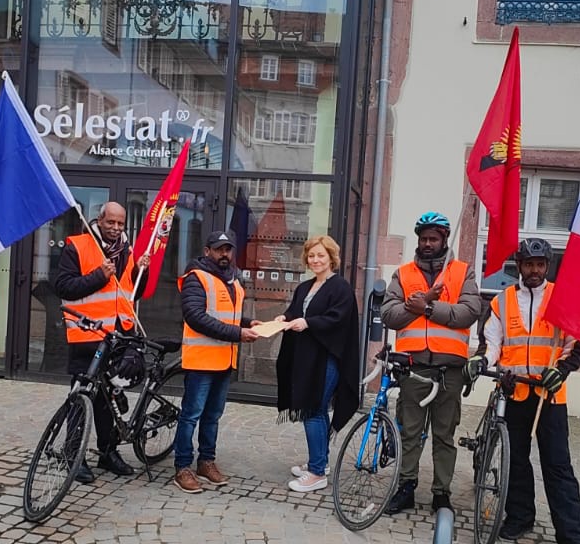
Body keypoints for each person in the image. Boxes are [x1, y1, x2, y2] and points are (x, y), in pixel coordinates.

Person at [466, 238, 580, 543]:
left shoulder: (562, 299)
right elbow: (491, 343)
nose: (534, 270)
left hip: (549, 395)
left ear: (547, 266)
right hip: (514, 391)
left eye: (540, 265)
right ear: (519, 266)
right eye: (529, 264)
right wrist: (482, 361)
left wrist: (560, 370)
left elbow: (574, 345)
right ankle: (520, 516)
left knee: (557, 465)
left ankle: (572, 534)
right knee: (516, 461)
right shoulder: (502, 301)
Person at [381, 210, 481, 514]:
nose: (427, 243)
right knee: (410, 432)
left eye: (433, 239)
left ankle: (441, 493)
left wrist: (425, 307)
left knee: (444, 435)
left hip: (450, 369)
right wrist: (422, 302)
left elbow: (468, 312)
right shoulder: (403, 274)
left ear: (444, 239)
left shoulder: (462, 272)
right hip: (413, 366)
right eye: (423, 238)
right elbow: (389, 315)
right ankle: (406, 486)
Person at [54, 201, 149, 482]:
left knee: (109, 398)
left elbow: (131, 293)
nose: (116, 228)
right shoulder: (77, 245)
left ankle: (108, 452)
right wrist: (99, 276)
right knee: (81, 398)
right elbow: (63, 287)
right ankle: (73, 455)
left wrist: (140, 272)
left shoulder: (126, 250)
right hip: (87, 335)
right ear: (99, 220)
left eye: (121, 223)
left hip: (118, 336)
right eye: (111, 222)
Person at [173, 230, 259, 493]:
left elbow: (228, 316)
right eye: (219, 249)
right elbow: (196, 317)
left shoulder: (233, 279)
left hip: (224, 360)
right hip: (201, 361)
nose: (224, 254)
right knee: (191, 415)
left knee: (213, 416)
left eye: (228, 249)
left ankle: (206, 461)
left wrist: (248, 324)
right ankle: (182, 467)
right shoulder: (196, 277)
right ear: (207, 251)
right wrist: (238, 333)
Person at [275, 234, 360, 493]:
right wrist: (284, 318)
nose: (315, 260)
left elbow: (337, 319)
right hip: (306, 358)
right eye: (311, 255)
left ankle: (316, 473)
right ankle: (320, 463)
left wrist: (308, 323)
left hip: (326, 359)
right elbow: (296, 311)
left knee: (312, 409)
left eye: (321, 255)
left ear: (331, 257)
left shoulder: (341, 288)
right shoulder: (305, 287)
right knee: (316, 410)